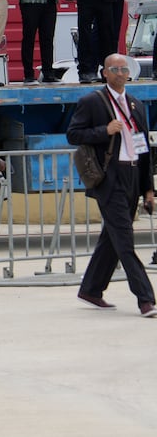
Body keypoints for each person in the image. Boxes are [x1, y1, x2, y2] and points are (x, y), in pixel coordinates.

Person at [67, 54, 155, 314]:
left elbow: (144, 149)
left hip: (132, 175)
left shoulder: (136, 105)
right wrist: (103, 131)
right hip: (110, 178)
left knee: (112, 238)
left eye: (123, 69)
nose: (119, 73)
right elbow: (73, 134)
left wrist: (147, 189)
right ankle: (145, 299)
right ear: (104, 73)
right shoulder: (93, 102)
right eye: (114, 69)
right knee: (125, 241)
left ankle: (91, 289)